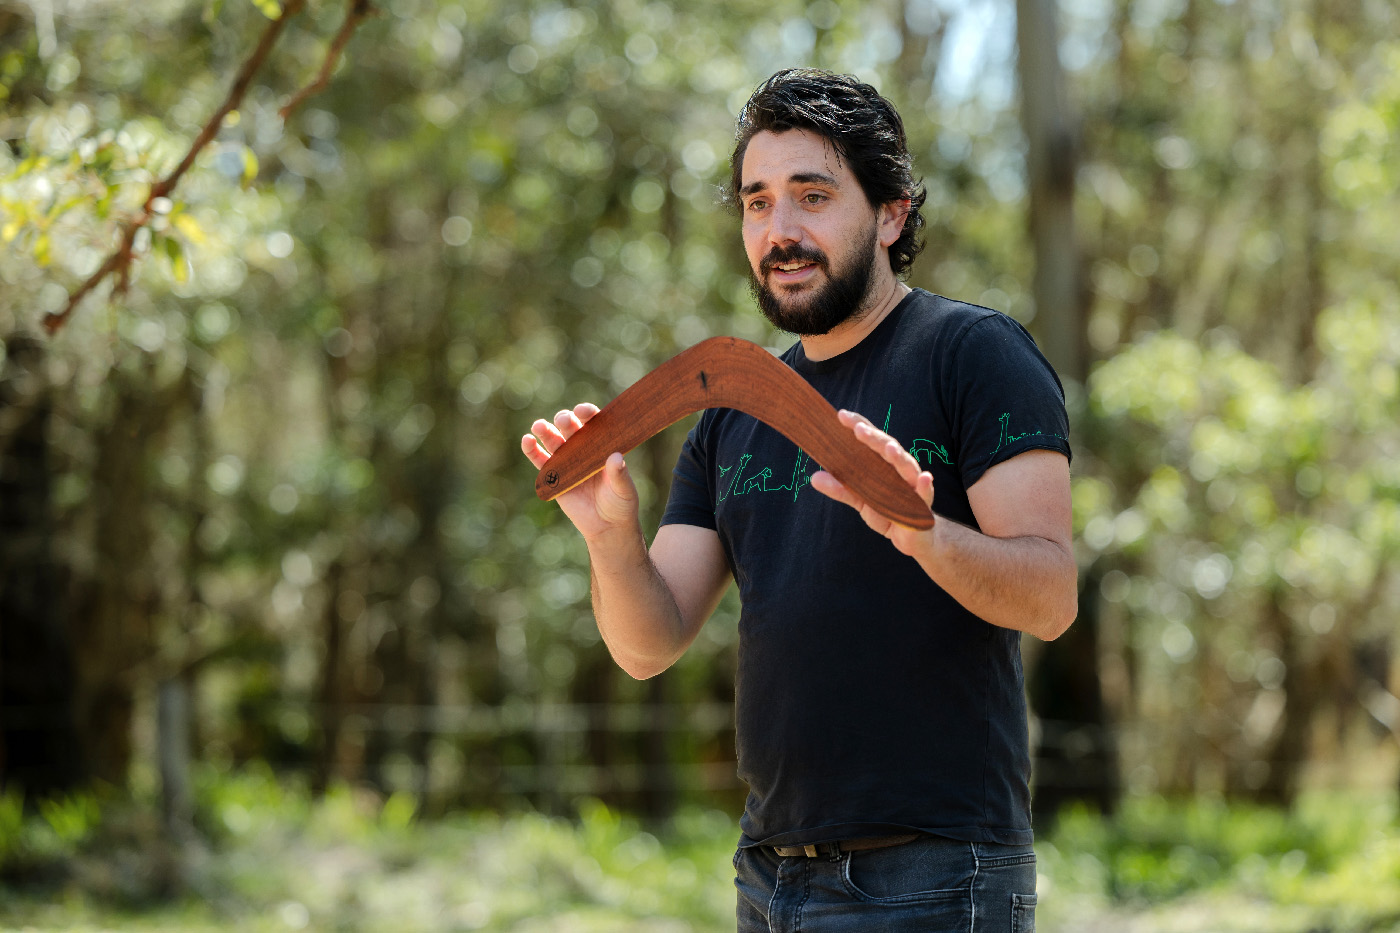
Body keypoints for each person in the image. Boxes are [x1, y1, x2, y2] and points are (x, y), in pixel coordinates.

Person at [521, 68, 1076, 932]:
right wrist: (608, 537)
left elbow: (1049, 596)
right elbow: (648, 644)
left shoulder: (973, 353)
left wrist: (924, 534)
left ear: (891, 212)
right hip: (770, 876)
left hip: (930, 874)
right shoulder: (733, 410)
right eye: (756, 202)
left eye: (812, 196)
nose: (779, 231)